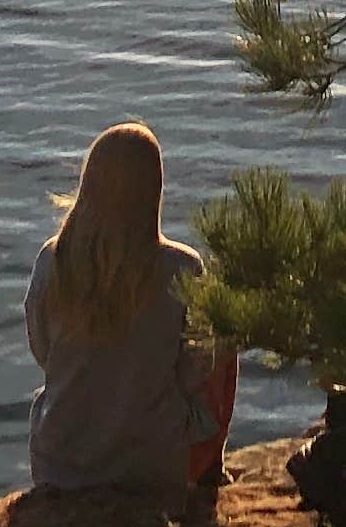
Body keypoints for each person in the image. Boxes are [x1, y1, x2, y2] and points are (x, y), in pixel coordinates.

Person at [23, 119, 238, 502]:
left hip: (59, 463)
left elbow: (43, 351)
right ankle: (209, 473)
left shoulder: (52, 261)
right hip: (152, 468)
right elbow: (196, 372)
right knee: (225, 337)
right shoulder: (182, 268)